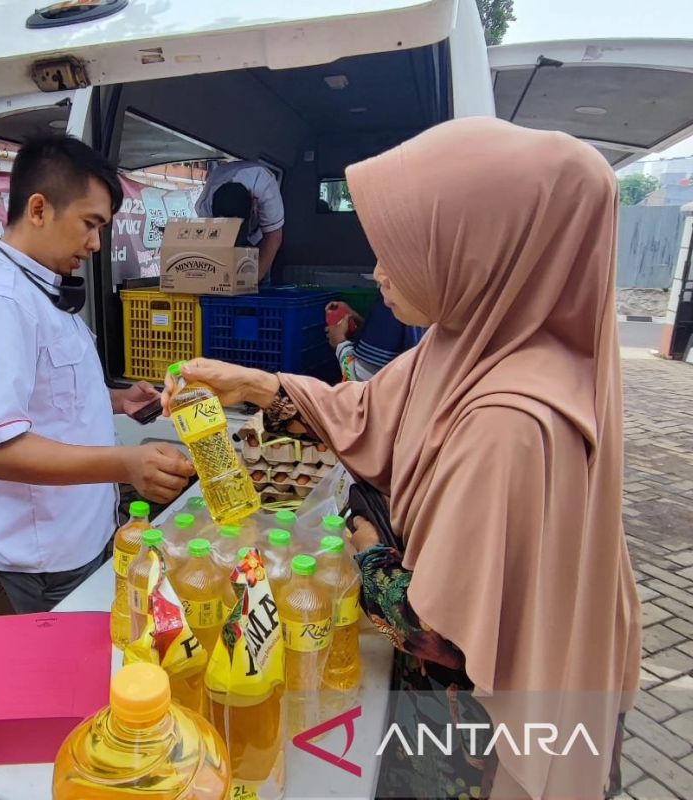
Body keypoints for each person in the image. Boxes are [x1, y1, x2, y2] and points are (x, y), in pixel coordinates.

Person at [162, 118, 640, 798]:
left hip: (478, 719)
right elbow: (365, 410)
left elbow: (435, 629)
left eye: (407, 250)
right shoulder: (468, 344)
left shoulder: (510, 421)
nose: (379, 273)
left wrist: (362, 543)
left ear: (483, 252)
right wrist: (255, 384)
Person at [0, 135, 195, 615]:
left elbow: (48, 394)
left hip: (82, 529)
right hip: (47, 552)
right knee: (71, 675)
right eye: (90, 224)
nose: (96, 243)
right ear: (39, 209)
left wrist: (118, 399)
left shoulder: (40, 288)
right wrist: (127, 465)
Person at [194, 160, 284, 280]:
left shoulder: (264, 185)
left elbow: (274, 237)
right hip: (220, 232)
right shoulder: (204, 206)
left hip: (258, 236)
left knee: (257, 276)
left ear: (253, 207)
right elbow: (209, 245)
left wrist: (251, 282)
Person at [326, 293, 425, 381]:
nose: (377, 275)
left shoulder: (392, 298)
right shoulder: (429, 296)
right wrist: (360, 321)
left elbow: (361, 378)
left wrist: (339, 341)